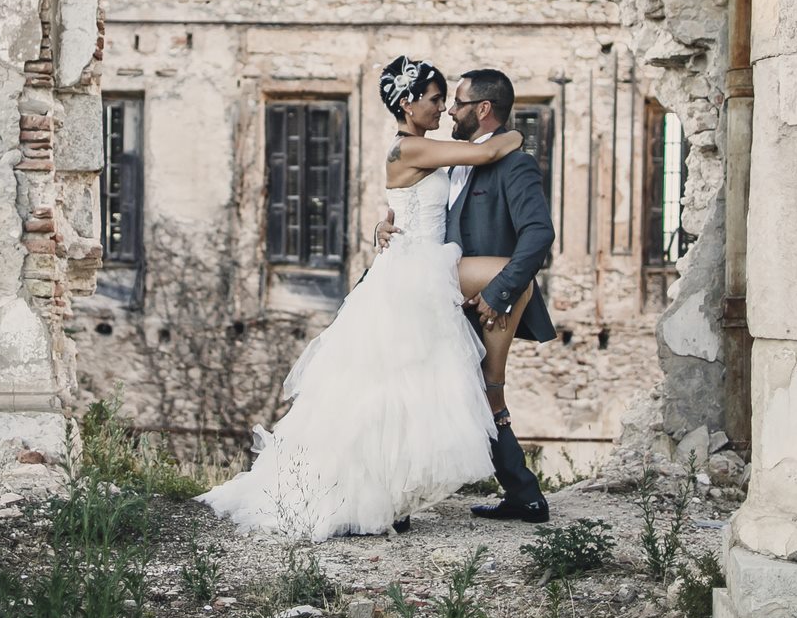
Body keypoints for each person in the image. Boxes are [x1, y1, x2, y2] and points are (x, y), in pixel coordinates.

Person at [195, 55, 525, 540]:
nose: (441, 109)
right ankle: (368, 494)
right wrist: (515, 134)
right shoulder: (411, 148)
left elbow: (407, 203)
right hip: (416, 273)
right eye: (436, 100)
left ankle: (394, 493)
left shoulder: (414, 148)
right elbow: (488, 153)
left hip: (421, 263)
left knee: (406, 389)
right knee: (391, 390)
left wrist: (384, 223)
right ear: (409, 103)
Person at [378, 65, 555, 524]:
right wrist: (385, 222)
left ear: (482, 108)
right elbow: (410, 198)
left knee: (486, 388)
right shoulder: (450, 154)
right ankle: (522, 494)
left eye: (455, 102)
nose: (449, 109)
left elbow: (538, 234)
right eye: (442, 100)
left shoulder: (513, 163)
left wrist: (498, 291)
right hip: (434, 288)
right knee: (463, 389)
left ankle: (521, 495)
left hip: (485, 296)